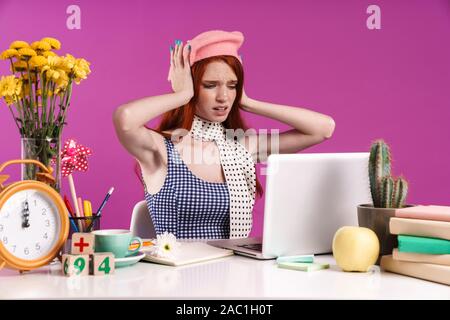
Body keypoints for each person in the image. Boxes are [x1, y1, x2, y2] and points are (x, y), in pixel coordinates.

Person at [113, 30, 335, 240]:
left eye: (232, 86)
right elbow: (125, 119)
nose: (223, 97)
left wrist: (248, 102)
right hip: (175, 275)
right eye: (210, 85)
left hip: (235, 272)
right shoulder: (161, 148)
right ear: (191, 86)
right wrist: (182, 95)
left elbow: (323, 128)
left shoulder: (242, 146)